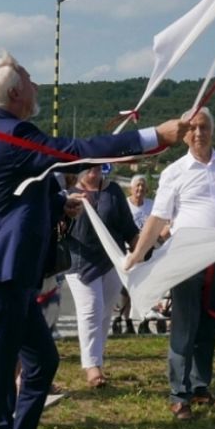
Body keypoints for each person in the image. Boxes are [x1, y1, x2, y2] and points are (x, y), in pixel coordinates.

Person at [0, 51, 187, 429]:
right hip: (1, 275)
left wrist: (58, 207)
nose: (36, 85)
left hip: (11, 275)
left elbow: (21, 191)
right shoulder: (5, 133)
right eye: (29, 78)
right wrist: (156, 136)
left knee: (42, 363)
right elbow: (73, 152)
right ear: (13, 92)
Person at [126, 107, 215, 422]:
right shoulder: (174, 171)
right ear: (184, 133)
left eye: (204, 127)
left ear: (213, 130)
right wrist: (136, 254)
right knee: (185, 327)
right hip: (186, 260)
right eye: (192, 128)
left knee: (211, 325)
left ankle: (201, 387)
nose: (198, 133)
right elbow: (158, 218)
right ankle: (179, 394)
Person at [64, 164, 138, 387]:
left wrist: (141, 248)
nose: (94, 174)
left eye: (98, 169)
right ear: (79, 171)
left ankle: (97, 358)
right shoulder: (68, 195)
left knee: (105, 312)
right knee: (91, 311)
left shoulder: (113, 191)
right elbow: (58, 226)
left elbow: (127, 225)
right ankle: (91, 367)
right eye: (89, 169)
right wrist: (67, 209)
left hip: (112, 261)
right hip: (80, 263)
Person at [114, 174, 153, 335]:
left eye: (143, 186)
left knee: (145, 287)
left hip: (147, 250)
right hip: (128, 250)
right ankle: (127, 320)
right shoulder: (124, 205)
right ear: (131, 188)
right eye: (137, 185)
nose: (140, 189)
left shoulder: (151, 205)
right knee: (126, 288)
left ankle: (144, 319)